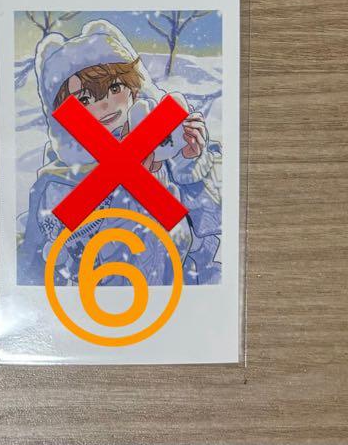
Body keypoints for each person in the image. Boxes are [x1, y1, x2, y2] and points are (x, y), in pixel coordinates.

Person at [17, 19, 221, 286]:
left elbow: (209, 224)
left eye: (114, 88)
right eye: (84, 100)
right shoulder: (57, 181)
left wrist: (190, 163)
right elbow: (44, 258)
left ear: (134, 87)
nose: (104, 105)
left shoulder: (164, 144)